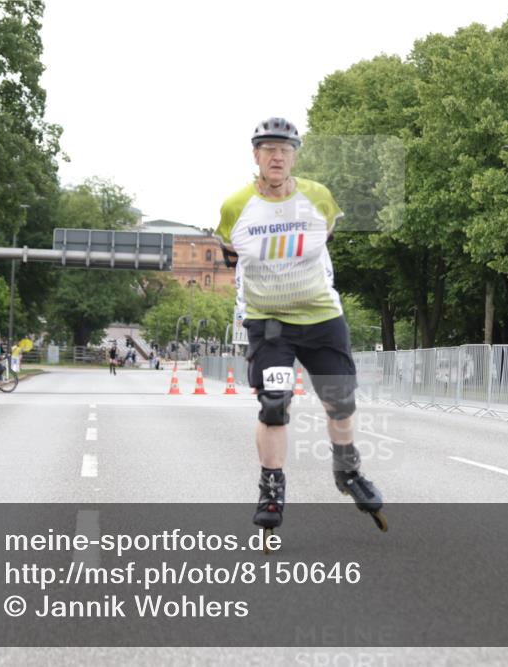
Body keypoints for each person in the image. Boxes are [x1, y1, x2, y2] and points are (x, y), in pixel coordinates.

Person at [216, 117, 385, 535]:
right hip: (269, 322)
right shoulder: (235, 207)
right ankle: (271, 489)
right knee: (274, 403)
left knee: (340, 402)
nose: (277, 156)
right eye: (269, 149)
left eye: (285, 149)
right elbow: (231, 259)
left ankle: (346, 471)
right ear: (255, 156)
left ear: (295, 156)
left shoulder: (319, 198)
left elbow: (321, 240)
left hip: (322, 317)